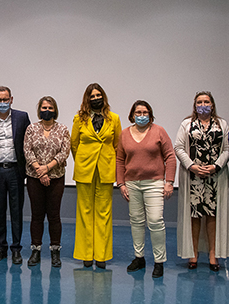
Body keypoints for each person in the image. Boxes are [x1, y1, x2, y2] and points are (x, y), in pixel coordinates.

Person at [116, 100, 176, 278]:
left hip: (154, 183)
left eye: (145, 113)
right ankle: (139, 257)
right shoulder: (125, 134)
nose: (141, 116)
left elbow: (170, 157)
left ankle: (159, 261)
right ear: (132, 115)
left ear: (150, 114)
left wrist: (169, 181)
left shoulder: (159, 131)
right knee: (136, 221)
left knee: (156, 221)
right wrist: (121, 183)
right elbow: (120, 159)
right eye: (138, 113)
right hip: (132, 184)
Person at [175, 91, 229, 271]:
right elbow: (178, 147)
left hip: (215, 176)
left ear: (212, 104)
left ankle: (213, 254)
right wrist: (191, 166)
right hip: (193, 177)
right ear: (195, 105)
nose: (203, 104)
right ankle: (194, 253)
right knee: (194, 215)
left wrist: (216, 166)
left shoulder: (222, 124)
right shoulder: (187, 124)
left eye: (206, 101)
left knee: (213, 215)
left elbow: (227, 149)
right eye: (199, 102)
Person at [71, 83, 121, 269]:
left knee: (104, 213)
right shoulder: (79, 119)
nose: (95, 99)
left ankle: (101, 255)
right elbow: (74, 145)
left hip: (106, 170)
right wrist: (85, 161)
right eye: (91, 96)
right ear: (87, 99)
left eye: (98, 95)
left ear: (104, 97)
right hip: (84, 171)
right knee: (84, 212)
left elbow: (117, 145)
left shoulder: (114, 119)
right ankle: (86, 254)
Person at [0, 86, 30, 265]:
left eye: (5, 99)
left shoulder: (22, 117)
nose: (2, 103)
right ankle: (1, 247)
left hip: (16, 170)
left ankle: (16, 249)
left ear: (11, 99)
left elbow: (27, 142)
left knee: (16, 211)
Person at [24, 96, 70, 267]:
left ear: (55, 110)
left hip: (56, 177)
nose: (47, 110)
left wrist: (47, 168)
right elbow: (27, 150)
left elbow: (64, 152)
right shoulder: (31, 128)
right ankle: (35, 250)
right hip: (34, 177)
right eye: (44, 107)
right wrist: (39, 170)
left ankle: (55, 250)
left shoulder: (63, 129)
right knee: (36, 215)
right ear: (39, 110)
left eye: (50, 108)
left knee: (54, 215)